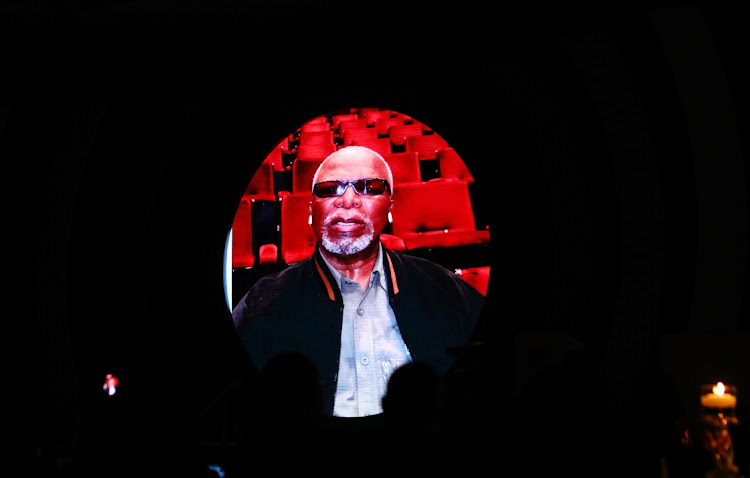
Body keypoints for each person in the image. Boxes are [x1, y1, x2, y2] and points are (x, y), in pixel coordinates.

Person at [232, 145, 485, 418]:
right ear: (310, 211)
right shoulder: (264, 303)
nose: (348, 200)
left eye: (369, 187)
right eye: (330, 189)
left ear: (390, 206)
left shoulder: (444, 289)